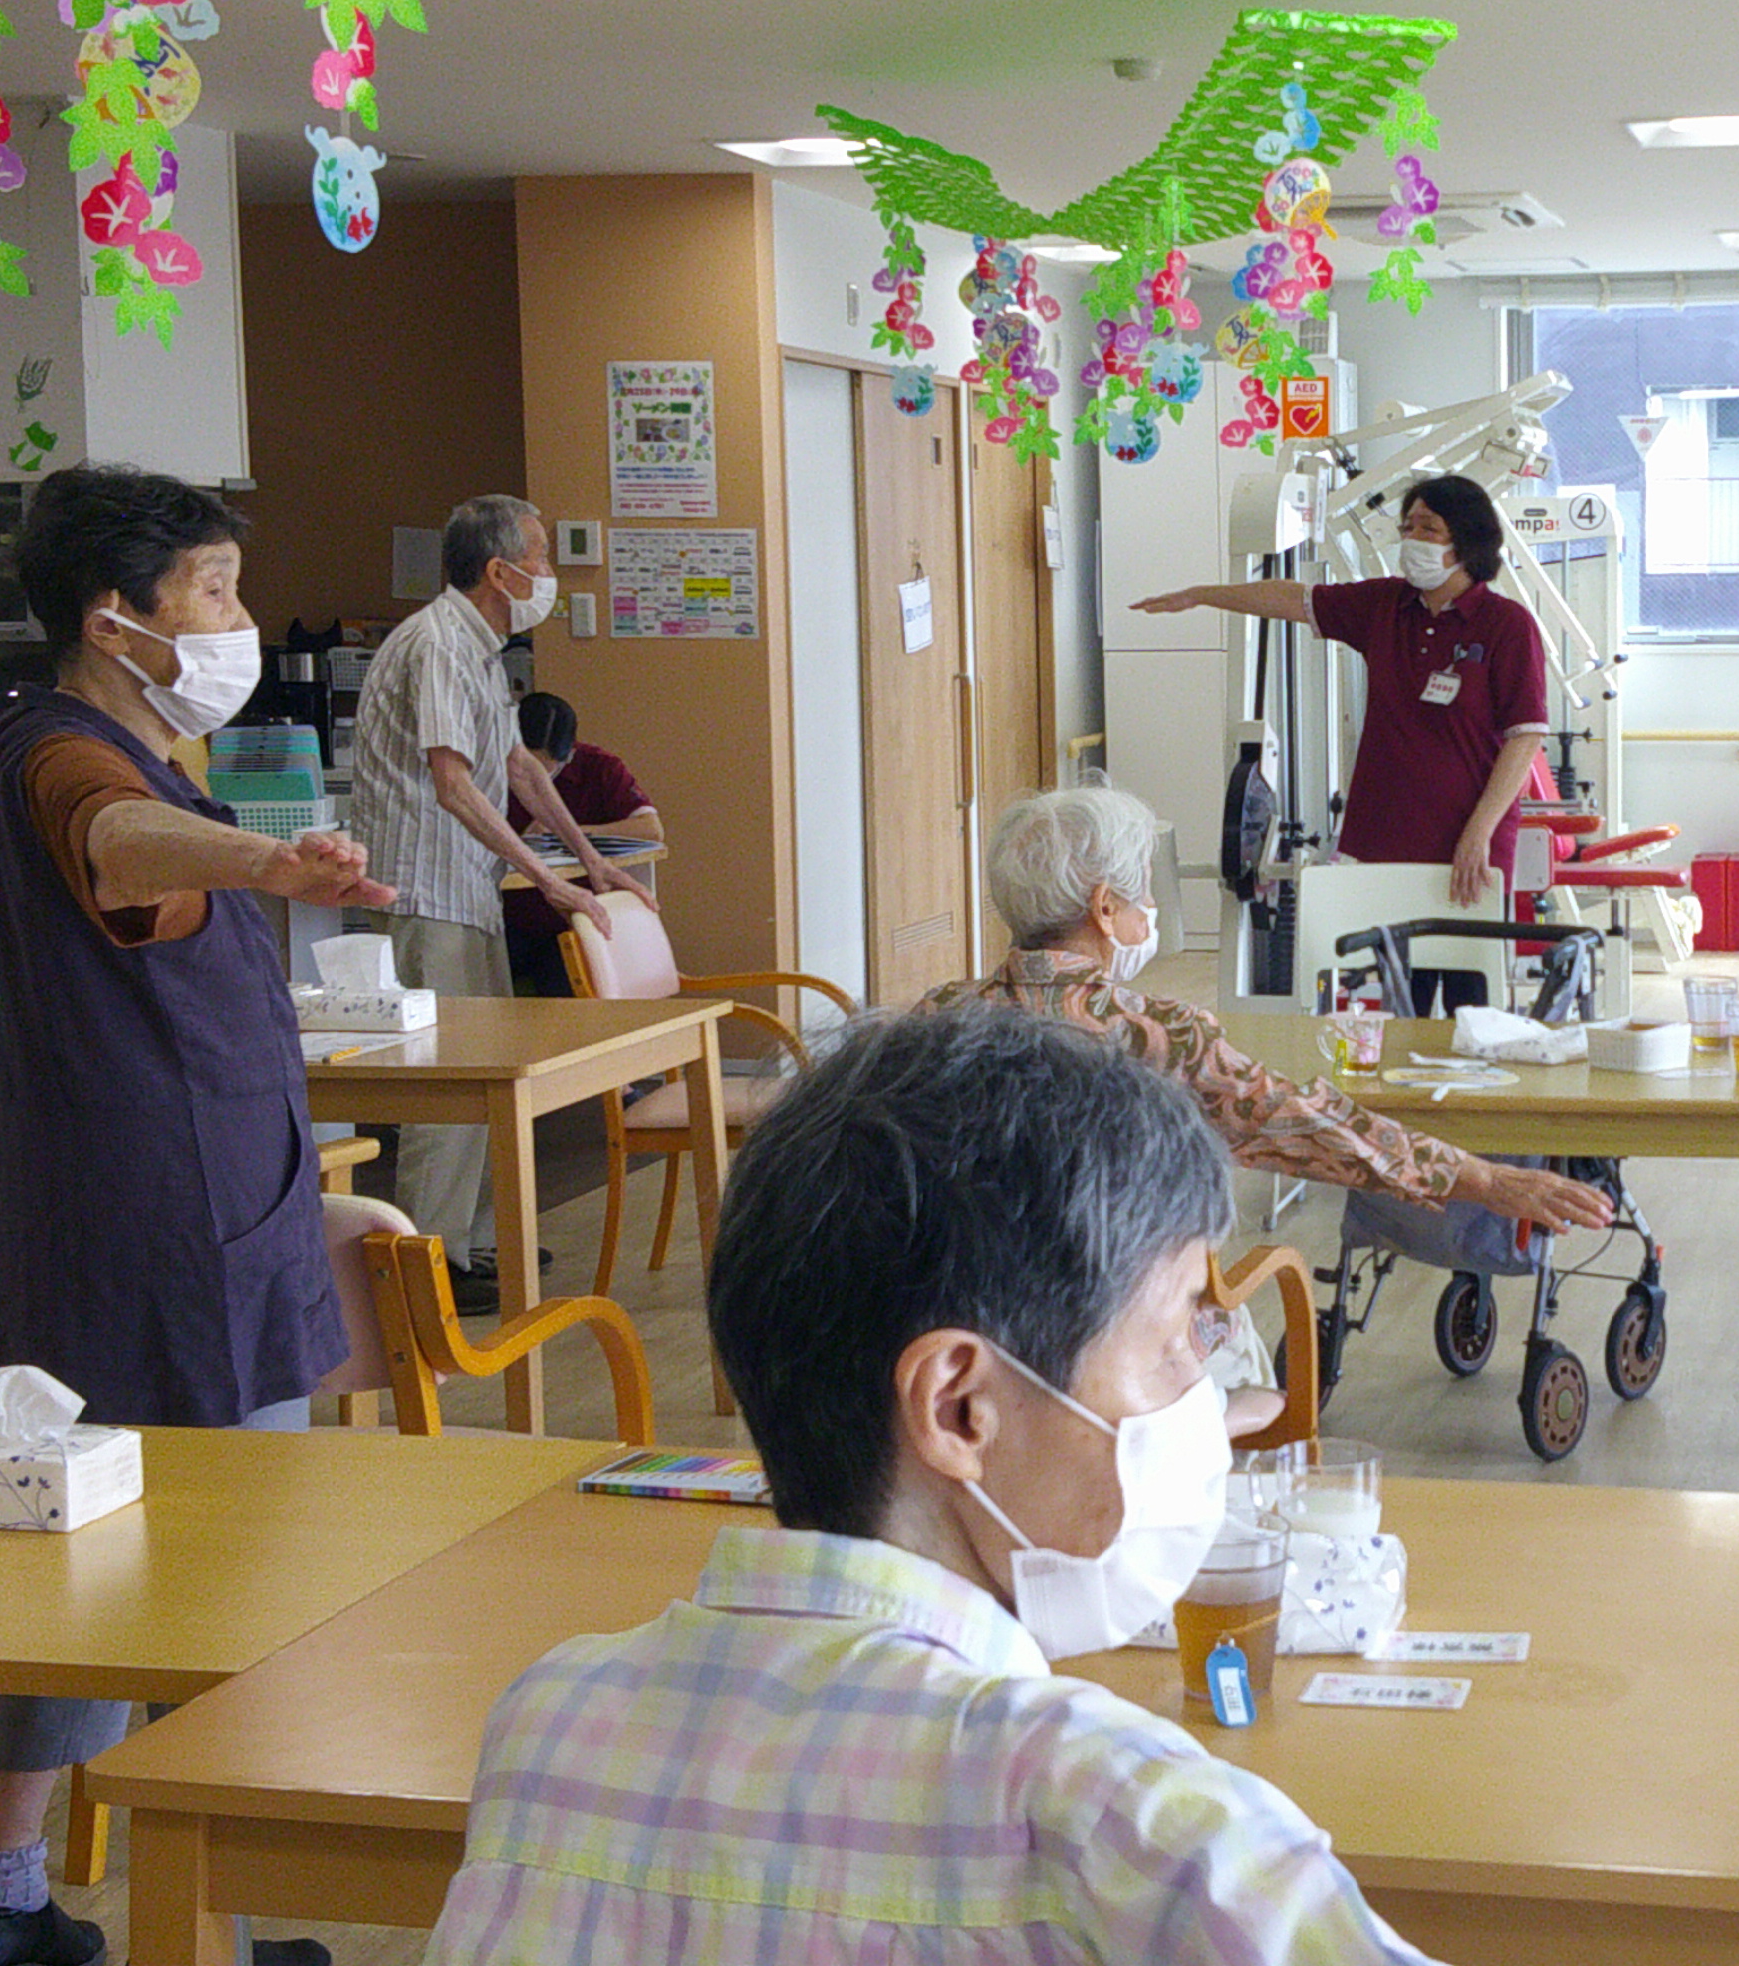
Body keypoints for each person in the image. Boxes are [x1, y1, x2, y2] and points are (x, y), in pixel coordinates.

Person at [430, 1004, 1437, 1964]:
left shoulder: (549, 1721)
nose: (1202, 1392)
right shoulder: (1136, 1823)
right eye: (1179, 1335)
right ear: (960, 1410)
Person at [0, 464, 394, 1966]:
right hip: (173, 1245)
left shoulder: (39, 748)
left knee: (90, 1573)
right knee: (212, 1585)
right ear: (112, 616)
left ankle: (2, 1900)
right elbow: (115, 841)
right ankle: (215, 1936)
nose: (236, 619)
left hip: (108, 1222)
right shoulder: (73, 761)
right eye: (213, 590)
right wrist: (266, 858)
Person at [930, 784, 1613, 1236]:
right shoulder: (1159, 1037)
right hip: (1101, 1318)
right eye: (1143, 894)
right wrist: (1484, 1177)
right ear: (1106, 909)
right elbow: (1309, 1125)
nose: (1152, 908)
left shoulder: (938, 1021)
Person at [351, 495, 648, 1300]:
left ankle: (473, 1245)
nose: (550, 573)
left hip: (463, 888)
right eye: (541, 556)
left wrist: (589, 861)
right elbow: (453, 784)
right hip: (425, 889)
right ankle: (426, 1273)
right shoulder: (438, 644)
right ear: (499, 571)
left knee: (487, 1075)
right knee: (447, 1086)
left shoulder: (481, 649)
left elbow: (518, 767)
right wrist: (548, 880)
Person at [1139, 473, 1548, 909]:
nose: (1412, 538)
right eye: (1407, 527)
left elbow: (1524, 737)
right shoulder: (1386, 605)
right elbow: (1293, 599)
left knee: (1464, 953)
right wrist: (1203, 595)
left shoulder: (1507, 624)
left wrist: (1480, 830)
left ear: (1467, 540)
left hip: (1469, 842)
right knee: (1384, 954)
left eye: (1428, 528)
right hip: (1381, 836)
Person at [498, 690, 661, 996]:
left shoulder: (600, 767)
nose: (539, 778)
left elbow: (651, 830)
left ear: (569, 752)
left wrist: (570, 832)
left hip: (570, 920)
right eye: (531, 766)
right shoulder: (492, 770)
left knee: (567, 985)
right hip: (508, 916)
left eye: (551, 768)